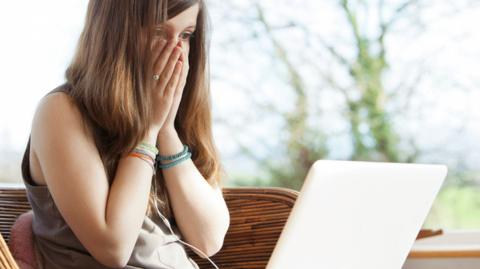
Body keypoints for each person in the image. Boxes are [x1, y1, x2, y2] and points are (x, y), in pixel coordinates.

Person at [20, 0, 230, 268]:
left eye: (185, 35)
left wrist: (166, 130)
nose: (176, 51)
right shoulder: (61, 111)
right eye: (158, 33)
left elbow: (208, 239)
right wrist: (148, 130)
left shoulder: (175, 115)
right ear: (115, 34)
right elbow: (113, 248)